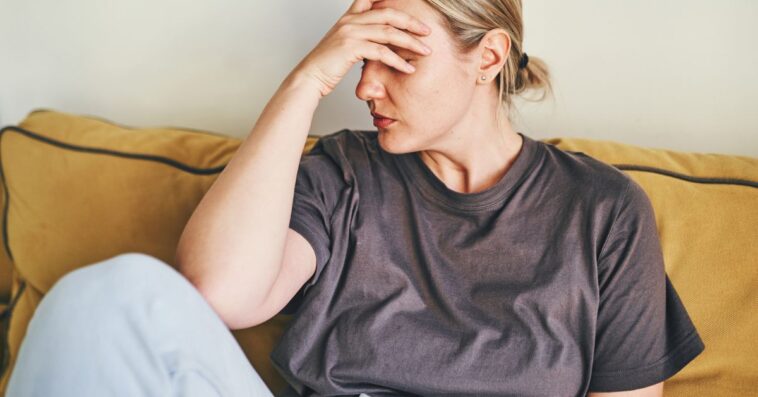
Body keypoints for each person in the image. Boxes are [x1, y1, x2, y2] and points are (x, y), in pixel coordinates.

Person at [6, 0, 705, 396]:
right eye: (361, 57)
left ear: (488, 58)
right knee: (107, 295)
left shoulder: (604, 211)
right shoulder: (342, 174)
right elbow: (217, 289)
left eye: (397, 56)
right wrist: (307, 82)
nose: (366, 87)